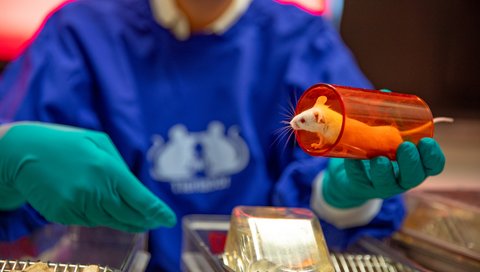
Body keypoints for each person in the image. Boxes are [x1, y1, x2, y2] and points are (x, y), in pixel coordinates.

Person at [0, 0, 445, 270]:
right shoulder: (78, 36)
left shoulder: (300, 40)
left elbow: (346, 183)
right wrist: (7, 157)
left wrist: (342, 192)